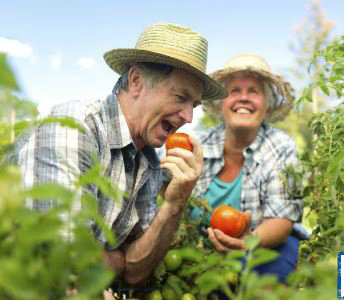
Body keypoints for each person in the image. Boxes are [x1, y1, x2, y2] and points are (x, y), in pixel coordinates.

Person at [13, 23, 227, 285]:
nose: (189, 117)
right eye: (181, 97)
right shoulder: (75, 127)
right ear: (136, 81)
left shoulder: (148, 160)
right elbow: (61, 262)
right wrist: (114, 259)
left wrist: (175, 203)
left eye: (193, 105)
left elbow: (135, 271)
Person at [191, 54, 304, 283]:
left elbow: (282, 220)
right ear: (221, 102)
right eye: (234, 91)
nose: (244, 98)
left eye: (254, 91)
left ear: (267, 105)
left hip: (265, 246)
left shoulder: (281, 146)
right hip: (201, 248)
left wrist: (248, 242)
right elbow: (163, 184)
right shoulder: (197, 145)